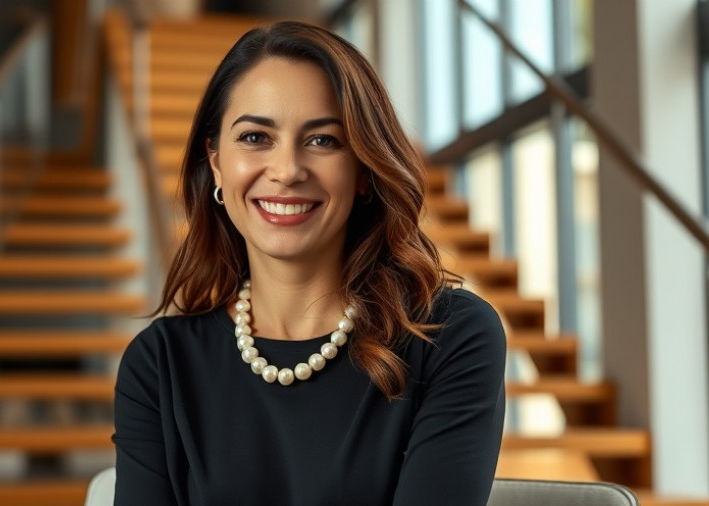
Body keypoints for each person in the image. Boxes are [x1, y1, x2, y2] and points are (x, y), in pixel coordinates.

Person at [113, 20, 506, 506]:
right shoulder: (159, 365)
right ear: (215, 162)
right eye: (256, 137)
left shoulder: (449, 338)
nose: (286, 171)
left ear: (363, 169)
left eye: (323, 140)